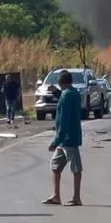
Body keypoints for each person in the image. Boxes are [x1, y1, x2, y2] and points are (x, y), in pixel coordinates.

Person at [42, 70, 83, 207]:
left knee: (76, 168)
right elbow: (65, 98)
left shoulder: (66, 96)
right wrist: (56, 93)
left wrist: (56, 141)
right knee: (55, 166)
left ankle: (76, 197)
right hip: (65, 139)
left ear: (60, 83)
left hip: (67, 138)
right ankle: (55, 196)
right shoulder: (73, 93)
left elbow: (64, 120)